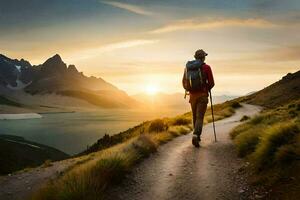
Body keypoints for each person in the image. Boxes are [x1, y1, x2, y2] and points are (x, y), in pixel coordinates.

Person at [182, 49, 215, 147]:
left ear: (195, 57)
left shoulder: (187, 68)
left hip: (192, 96)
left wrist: (190, 90)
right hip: (202, 95)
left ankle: (196, 135)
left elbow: (184, 82)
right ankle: (196, 135)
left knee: (194, 116)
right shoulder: (207, 67)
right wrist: (206, 88)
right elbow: (212, 83)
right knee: (200, 117)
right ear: (203, 57)